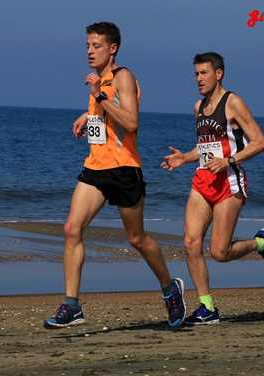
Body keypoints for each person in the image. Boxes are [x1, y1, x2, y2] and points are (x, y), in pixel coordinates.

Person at [44, 22, 186, 329]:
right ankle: (71, 305)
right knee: (72, 228)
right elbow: (107, 113)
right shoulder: (101, 82)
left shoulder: (123, 77)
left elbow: (131, 122)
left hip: (123, 170)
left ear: (113, 48)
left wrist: (100, 97)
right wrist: (89, 114)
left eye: (96, 46)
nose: (90, 51)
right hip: (95, 168)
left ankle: (169, 289)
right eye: (87, 46)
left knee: (137, 238)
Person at [161, 52, 264, 325]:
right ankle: (207, 307)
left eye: (204, 73)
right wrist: (184, 157)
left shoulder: (233, 103)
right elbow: (204, 149)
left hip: (229, 182)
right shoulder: (198, 107)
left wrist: (229, 160)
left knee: (219, 252)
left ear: (219, 73)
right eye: (196, 74)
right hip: (202, 181)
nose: (199, 79)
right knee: (191, 243)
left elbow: (259, 142)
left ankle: (261, 244)